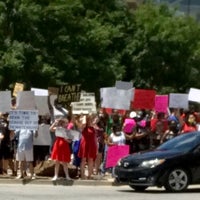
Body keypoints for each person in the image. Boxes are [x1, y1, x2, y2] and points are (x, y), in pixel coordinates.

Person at [78, 114, 97, 180]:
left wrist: (96, 147)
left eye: (91, 119)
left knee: (91, 160)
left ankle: (89, 175)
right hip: (84, 144)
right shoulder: (83, 127)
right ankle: (82, 175)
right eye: (89, 119)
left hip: (91, 145)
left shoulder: (93, 128)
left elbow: (95, 138)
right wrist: (85, 117)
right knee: (83, 159)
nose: (90, 121)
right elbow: (83, 124)